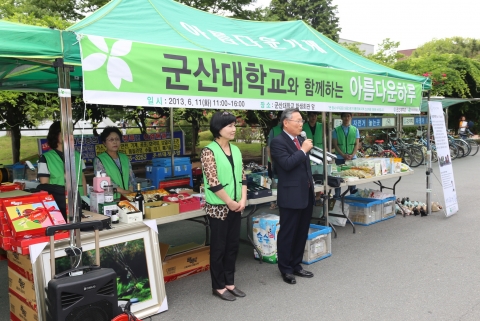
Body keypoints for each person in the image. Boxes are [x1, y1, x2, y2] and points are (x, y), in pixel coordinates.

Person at [201, 111, 247, 301]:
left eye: (234, 125)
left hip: (237, 205)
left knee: (232, 246)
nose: (234, 129)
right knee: (219, 247)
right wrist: (230, 202)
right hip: (220, 207)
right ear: (218, 129)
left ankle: (230, 282)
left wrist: (243, 200)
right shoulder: (208, 151)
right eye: (229, 126)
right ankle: (218, 286)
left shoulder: (236, 150)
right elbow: (213, 181)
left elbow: (243, 176)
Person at [270, 108, 315, 285]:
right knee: (288, 232)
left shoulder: (301, 140)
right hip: (290, 194)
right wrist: (303, 151)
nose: (301, 124)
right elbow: (287, 164)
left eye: (301, 121)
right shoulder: (277, 142)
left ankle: (296, 264)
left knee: (301, 231)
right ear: (286, 123)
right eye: (298, 121)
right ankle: (285, 268)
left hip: (306, 192)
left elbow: (305, 168)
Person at [38, 121, 87, 196]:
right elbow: (44, 185)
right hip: (58, 201)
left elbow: (83, 179)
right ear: (55, 135)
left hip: (78, 199)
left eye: (70, 132)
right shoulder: (45, 158)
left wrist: (85, 198)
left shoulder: (77, 155)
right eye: (63, 132)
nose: (68, 135)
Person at [94, 126, 136, 198]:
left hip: (129, 197)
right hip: (111, 199)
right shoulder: (99, 159)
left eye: (117, 139)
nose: (115, 142)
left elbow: (131, 177)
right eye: (111, 140)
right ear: (104, 143)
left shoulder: (124, 157)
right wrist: (123, 192)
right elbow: (104, 182)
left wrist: (131, 189)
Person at [332, 112, 360, 198]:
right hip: (340, 157)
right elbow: (335, 145)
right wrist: (343, 155)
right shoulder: (336, 130)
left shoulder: (355, 129)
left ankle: (353, 196)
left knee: (352, 178)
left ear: (351, 117)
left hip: (352, 158)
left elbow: (357, 144)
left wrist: (352, 155)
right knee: (338, 178)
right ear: (341, 118)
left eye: (348, 116)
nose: (346, 118)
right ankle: (337, 196)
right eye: (344, 116)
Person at [266, 112, 283, 210]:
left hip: (285, 161)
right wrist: (272, 162)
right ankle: (272, 202)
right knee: (274, 182)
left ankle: (281, 201)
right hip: (274, 161)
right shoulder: (274, 130)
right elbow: (269, 147)